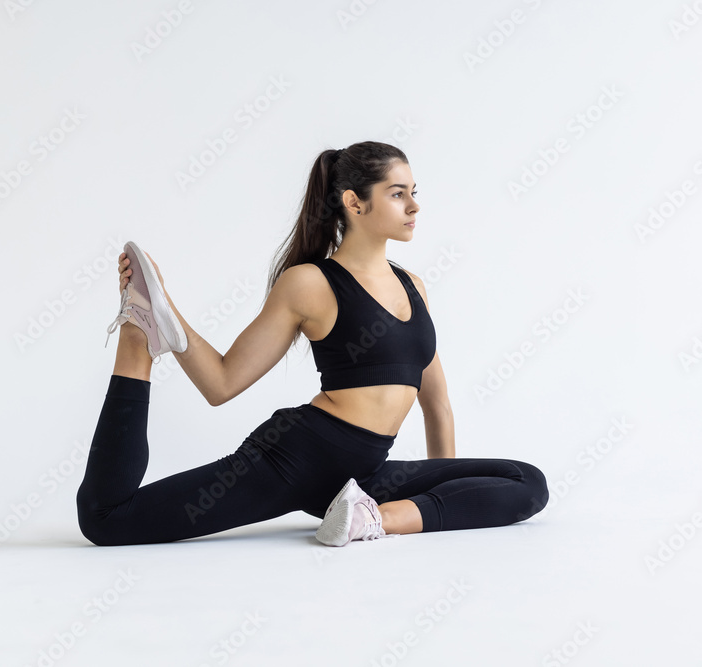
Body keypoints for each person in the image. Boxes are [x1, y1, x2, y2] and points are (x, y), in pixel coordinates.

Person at [76, 141, 548, 547]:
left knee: (527, 482)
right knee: (108, 520)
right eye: (397, 194)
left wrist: (442, 505)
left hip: (360, 482)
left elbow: (437, 403)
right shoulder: (310, 283)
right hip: (296, 459)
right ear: (354, 203)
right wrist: (168, 317)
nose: (414, 206)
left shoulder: (414, 287)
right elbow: (220, 383)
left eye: (414, 194)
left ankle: (371, 519)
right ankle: (139, 335)